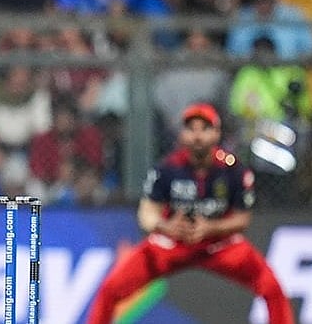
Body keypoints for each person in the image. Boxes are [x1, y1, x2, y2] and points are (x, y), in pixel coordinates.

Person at [86, 103, 293, 324]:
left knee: (271, 288)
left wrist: (210, 228)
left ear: (216, 133)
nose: (197, 136)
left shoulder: (233, 170)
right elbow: (146, 213)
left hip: (219, 245)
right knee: (110, 290)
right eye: (191, 129)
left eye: (204, 129)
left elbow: (243, 219)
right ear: (182, 134)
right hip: (171, 243)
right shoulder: (166, 169)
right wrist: (166, 227)